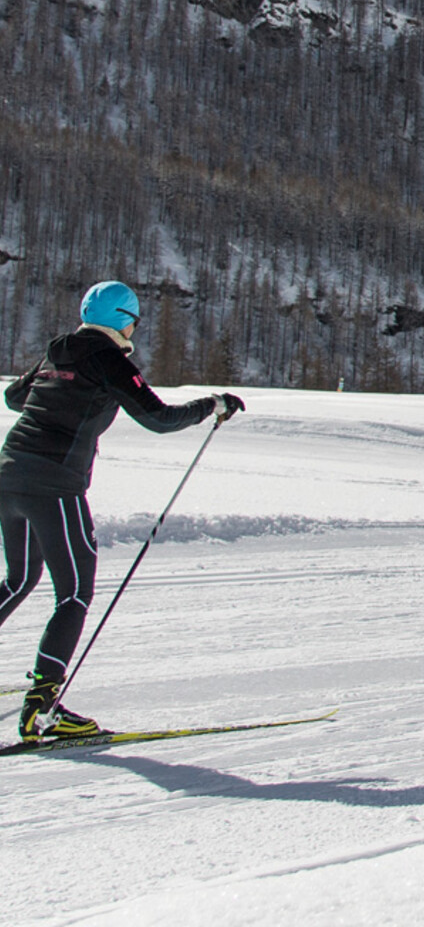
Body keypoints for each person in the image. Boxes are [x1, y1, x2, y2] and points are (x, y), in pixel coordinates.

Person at [0, 281, 244, 741]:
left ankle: (41, 701)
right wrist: (212, 404)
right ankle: (41, 710)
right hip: (54, 484)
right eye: (135, 318)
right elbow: (159, 418)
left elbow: (15, 398)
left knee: (17, 580)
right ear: (124, 320)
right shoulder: (110, 359)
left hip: (9, 474)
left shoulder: (60, 349)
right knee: (72, 595)